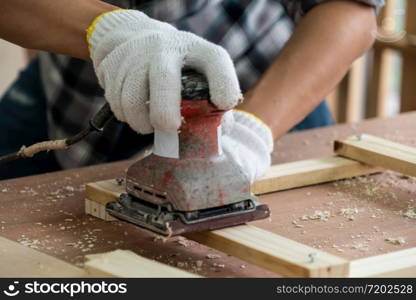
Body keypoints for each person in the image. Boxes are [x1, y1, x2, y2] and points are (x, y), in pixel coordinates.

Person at [0, 0, 383, 180]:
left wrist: (251, 132)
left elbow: (352, 10)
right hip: (74, 83)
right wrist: (109, 32)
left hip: (267, 87)